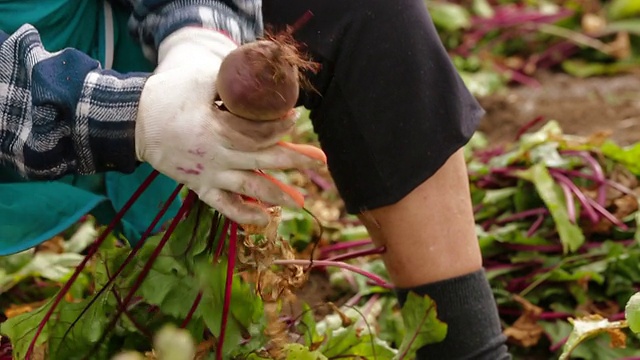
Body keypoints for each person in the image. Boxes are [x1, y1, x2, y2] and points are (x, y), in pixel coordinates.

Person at [0, 0, 511, 358]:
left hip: (99, 27)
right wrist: (139, 115)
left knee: (366, 11)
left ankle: (470, 349)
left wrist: (198, 42)